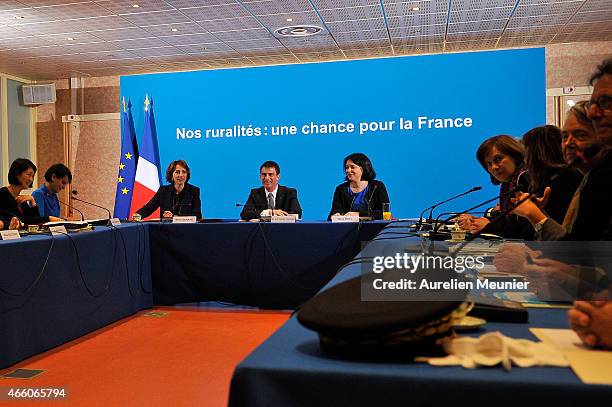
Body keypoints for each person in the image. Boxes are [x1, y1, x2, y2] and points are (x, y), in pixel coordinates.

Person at [512, 58, 612, 241]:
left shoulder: (595, 178)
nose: (568, 144)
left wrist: (536, 216)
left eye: (580, 135)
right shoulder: (587, 178)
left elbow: (584, 257)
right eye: (564, 136)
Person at [457, 135, 529, 238]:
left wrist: (489, 225)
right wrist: (476, 221)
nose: (494, 167)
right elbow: (508, 219)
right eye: (489, 164)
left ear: (515, 156)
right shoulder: (507, 184)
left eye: (498, 159)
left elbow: (523, 227)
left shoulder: (524, 178)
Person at [521, 125, 583, 227]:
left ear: (535, 152)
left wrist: (529, 211)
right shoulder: (544, 178)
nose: (524, 159)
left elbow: (554, 227)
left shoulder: (565, 178)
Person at [0, 158, 61, 229]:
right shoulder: (3, 194)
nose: (31, 179)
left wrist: (32, 201)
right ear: (17, 174)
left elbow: (35, 221)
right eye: (28, 174)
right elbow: (22, 220)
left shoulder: (21, 198)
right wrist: (49, 218)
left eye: (33, 176)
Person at [328, 153, 390, 220]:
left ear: (363, 168)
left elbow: (385, 213)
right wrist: (334, 216)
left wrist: (358, 214)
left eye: (352, 167)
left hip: (376, 228)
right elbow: (333, 213)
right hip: (348, 229)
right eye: (346, 167)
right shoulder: (341, 189)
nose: (348, 170)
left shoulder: (377, 186)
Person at [134, 160, 202, 220]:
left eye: (184, 172)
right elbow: (149, 207)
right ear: (171, 174)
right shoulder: (163, 191)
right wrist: (138, 216)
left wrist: (174, 217)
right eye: (177, 172)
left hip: (187, 230)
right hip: (166, 231)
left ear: (187, 174)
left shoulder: (194, 191)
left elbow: (197, 215)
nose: (181, 175)